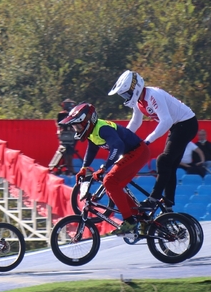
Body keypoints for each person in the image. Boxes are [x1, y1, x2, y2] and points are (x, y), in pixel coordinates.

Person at [108, 70, 198, 211]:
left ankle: (153, 199)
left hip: (186, 124)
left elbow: (166, 121)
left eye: (126, 94)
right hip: (178, 126)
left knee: (163, 160)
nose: (125, 98)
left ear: (135, 88)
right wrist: (122, 139)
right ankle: (168, 207)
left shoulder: (152, 95)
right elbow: (135, 122)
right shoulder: (139, 102)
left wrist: (147, 141)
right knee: (170, 166)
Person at [60, 103, 150, 234]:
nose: (76, 130)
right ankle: (142, 219)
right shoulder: (92, 131)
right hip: (130, 153)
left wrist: (104, 167)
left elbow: (117, 147)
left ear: (88, 122)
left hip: (138, 152)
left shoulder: (102, 129)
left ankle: (130, 222)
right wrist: (84, 168)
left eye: (78, 126)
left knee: (110, 181)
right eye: (75, 127)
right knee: (112, 187)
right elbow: (92, 149)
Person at [48, 98, 78, 175]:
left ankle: (58, 168)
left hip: (66, 136)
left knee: (65, 152)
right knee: (66, 152)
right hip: (68, 136)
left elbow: (59, 124)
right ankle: (68, 169)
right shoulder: (66, 114)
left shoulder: (64, 114)